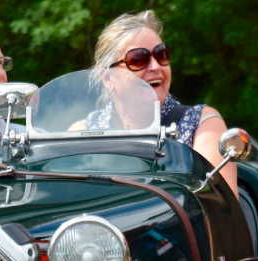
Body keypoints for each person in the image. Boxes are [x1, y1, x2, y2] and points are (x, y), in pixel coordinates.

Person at [88, 11, 237, 196]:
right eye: (138, 59)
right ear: (108, 78)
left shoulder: (202, 125)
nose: (156, 66)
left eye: (161, 54)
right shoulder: (82, 133)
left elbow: (221, 212)